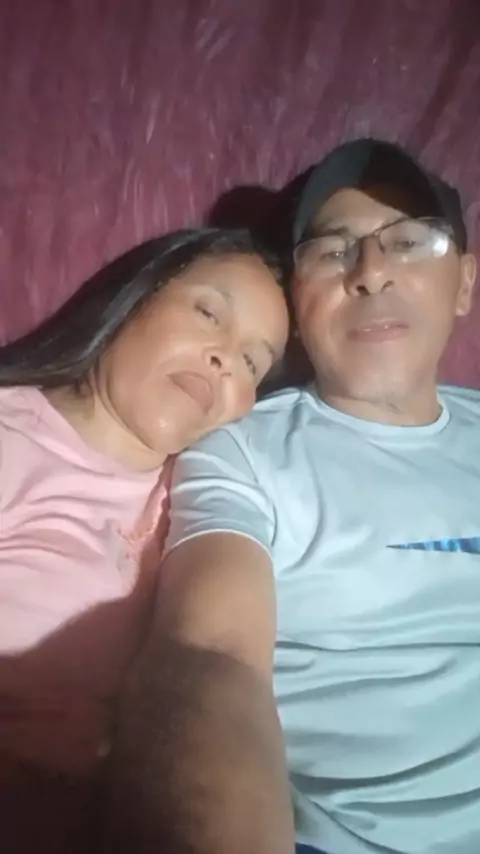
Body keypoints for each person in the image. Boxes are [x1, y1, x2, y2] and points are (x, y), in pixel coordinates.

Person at [108, 139, 480, 854]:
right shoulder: (240, 447)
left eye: (408, 242)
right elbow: (210, 654)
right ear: (296, 305)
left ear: (465, 282)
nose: (371, 272)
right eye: (332, 251)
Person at [0, 226, 289, 852]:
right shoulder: (13, 437)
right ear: (134, 297)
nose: (225, 358)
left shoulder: (213, 502)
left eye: (252, 362)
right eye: (209, 313)